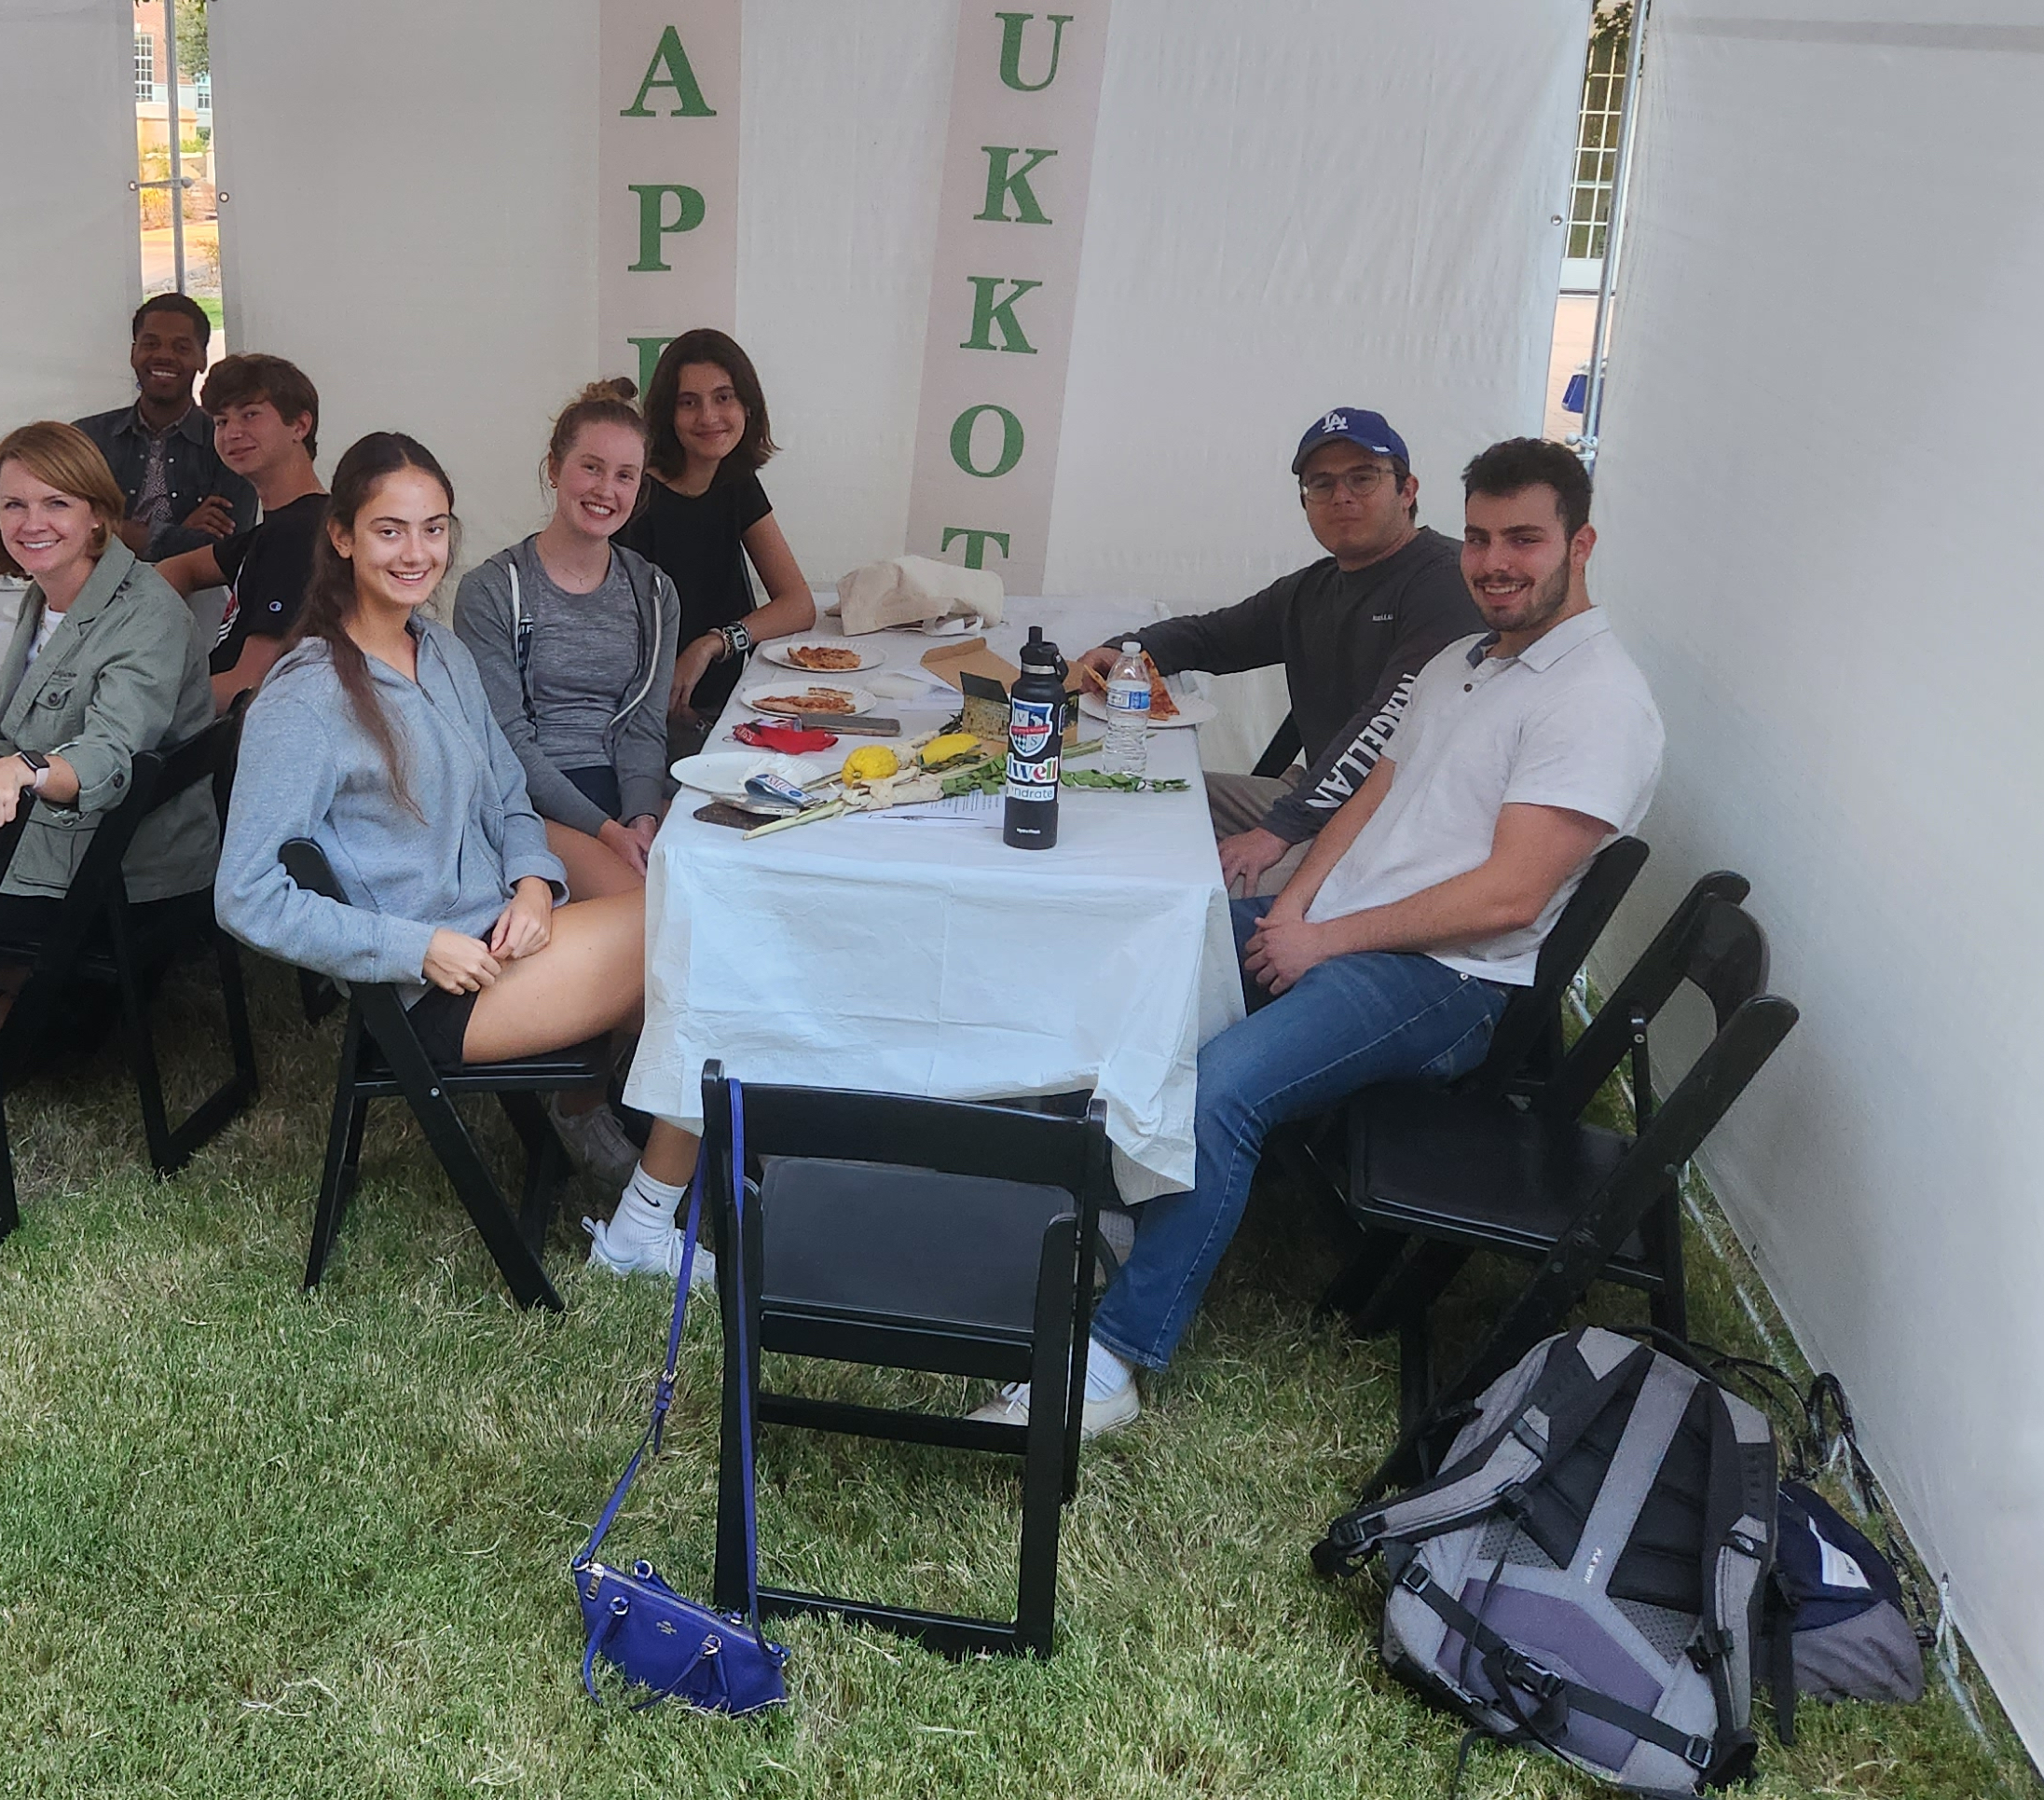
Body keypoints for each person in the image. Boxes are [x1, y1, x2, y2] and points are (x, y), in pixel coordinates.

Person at [978, 439, 1661, 1437]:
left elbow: (1509, 899)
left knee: (1221, 1090)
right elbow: (1377, 785)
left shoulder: (1596, 700)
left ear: (1581, 543)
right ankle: (1076, 1212)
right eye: (1478, 538)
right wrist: (1295, 905)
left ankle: (1113, 1359)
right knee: (1132, 954)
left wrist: (1325, 940)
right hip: (1349, 924)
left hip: (1442, 977)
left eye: (1523, 538)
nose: (1494, 562)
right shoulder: (1468, 655)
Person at [216, 433, 693, 1282]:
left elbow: (509, 794)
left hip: (503, 930)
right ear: (342, 537)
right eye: (390, 530)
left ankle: (626, 1158)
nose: (416, 553)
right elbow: (246, 895)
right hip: (439, 987)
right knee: (705, 940)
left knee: (697, 921)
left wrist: (537, 883)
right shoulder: (306, 697)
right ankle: (641, 1232)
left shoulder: (438, 650)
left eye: (433, 529)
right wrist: (415, 948)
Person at [1070, 406, 1483, 899]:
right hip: (1312, 797)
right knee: (1118, 800)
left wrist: (1276, 832)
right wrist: (1122, 653)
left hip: (1392, 830)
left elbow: (1389, 723)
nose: (1341, 496)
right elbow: (1213, 636)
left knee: (1211, 895)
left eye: (1363, 477)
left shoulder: (1445, 582)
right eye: (1321, 484)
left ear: (1407, 490)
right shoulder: (1317, 587)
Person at [0, 420, 216, 935]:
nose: (31, 522)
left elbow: (109, 755)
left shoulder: (146, 615)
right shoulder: (47, 593)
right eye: (14, 504)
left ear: (97, 515)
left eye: (56, 503)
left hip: (117, 876)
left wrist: (23, 769)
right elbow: (18, 738)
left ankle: (1, 1003)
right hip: (62, 842)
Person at [453, 380, 680, 908]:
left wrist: (641, 817)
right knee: (644, 912)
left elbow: (645, 724)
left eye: (625, 476)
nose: (606, 490)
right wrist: (608, 832)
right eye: (591, 467)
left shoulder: (655, 591)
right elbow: (505, 742)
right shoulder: (491, 590)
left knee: (717, 875)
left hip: (627, 790)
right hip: (533, 802)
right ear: (554, 469)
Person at [621, 328, 814, 752]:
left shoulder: (735, 479)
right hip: (653, 723)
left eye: (723, 397)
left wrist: (713, 643)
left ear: (748, 404)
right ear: (667, 414)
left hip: (730, 705)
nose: (709, 417)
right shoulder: (636, 497)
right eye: (688, 402)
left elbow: (799, 603)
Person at [154, 350, 329, 706]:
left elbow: (249, 686)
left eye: (250, 415)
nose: (232, 433)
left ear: (300, 426)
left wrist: (143, 709)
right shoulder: (272, 532)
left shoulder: (301, 533)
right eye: (220, 421)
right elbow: (179, 569)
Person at [79, 293, 254, 565]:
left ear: (202, 359)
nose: (163, 355)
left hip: (199, 600)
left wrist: (110, 530)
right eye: (151, 344)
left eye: (181, 348)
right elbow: (66, 529)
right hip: (98, 592)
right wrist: (181, 533)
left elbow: (228, 549)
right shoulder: (86, 438)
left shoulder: (231, 442)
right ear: (133, 354)